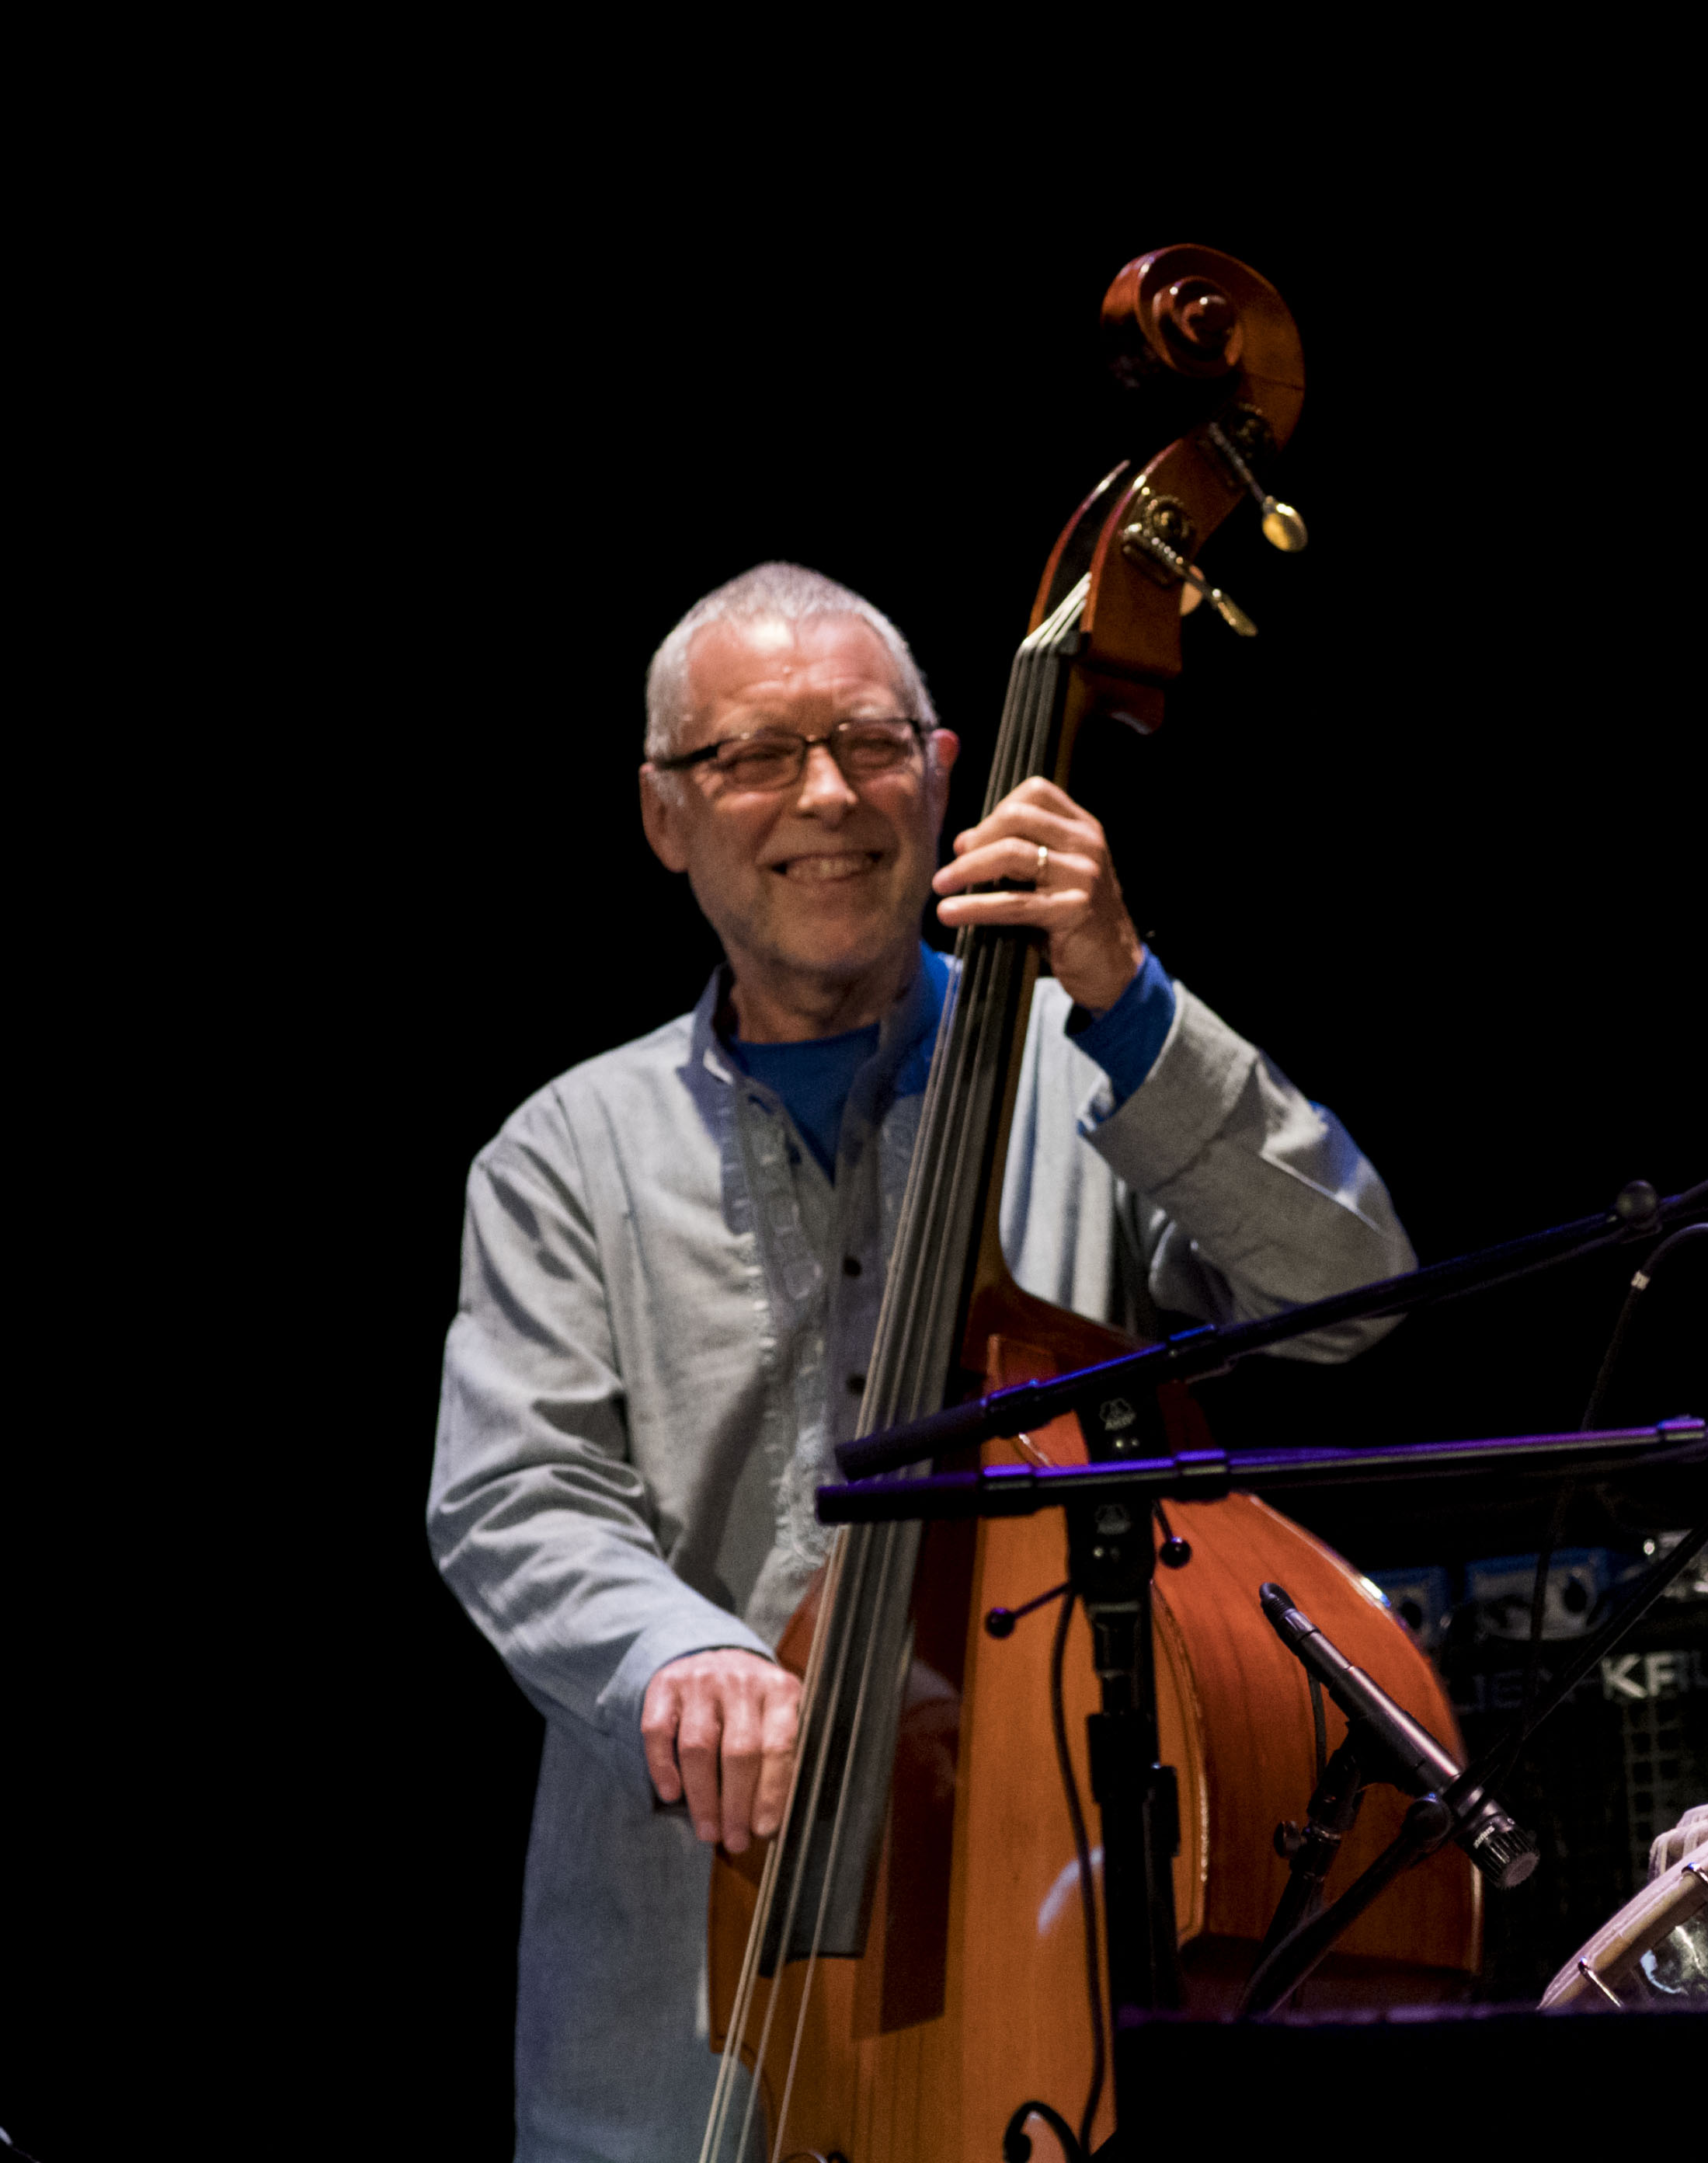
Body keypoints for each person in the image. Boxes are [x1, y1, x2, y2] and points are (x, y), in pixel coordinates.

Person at [430, 563, 1416, 2160]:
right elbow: (514, 1498)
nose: (826, 794)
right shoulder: (562, 1152)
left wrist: (1127, 994)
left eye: (870, 742)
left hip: (1055, 1974)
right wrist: (677, 1659)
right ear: (664, 817)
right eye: (753, 755)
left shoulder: (1091, 1069)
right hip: (677, 2003)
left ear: (948, 774)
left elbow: (1351, 1288)